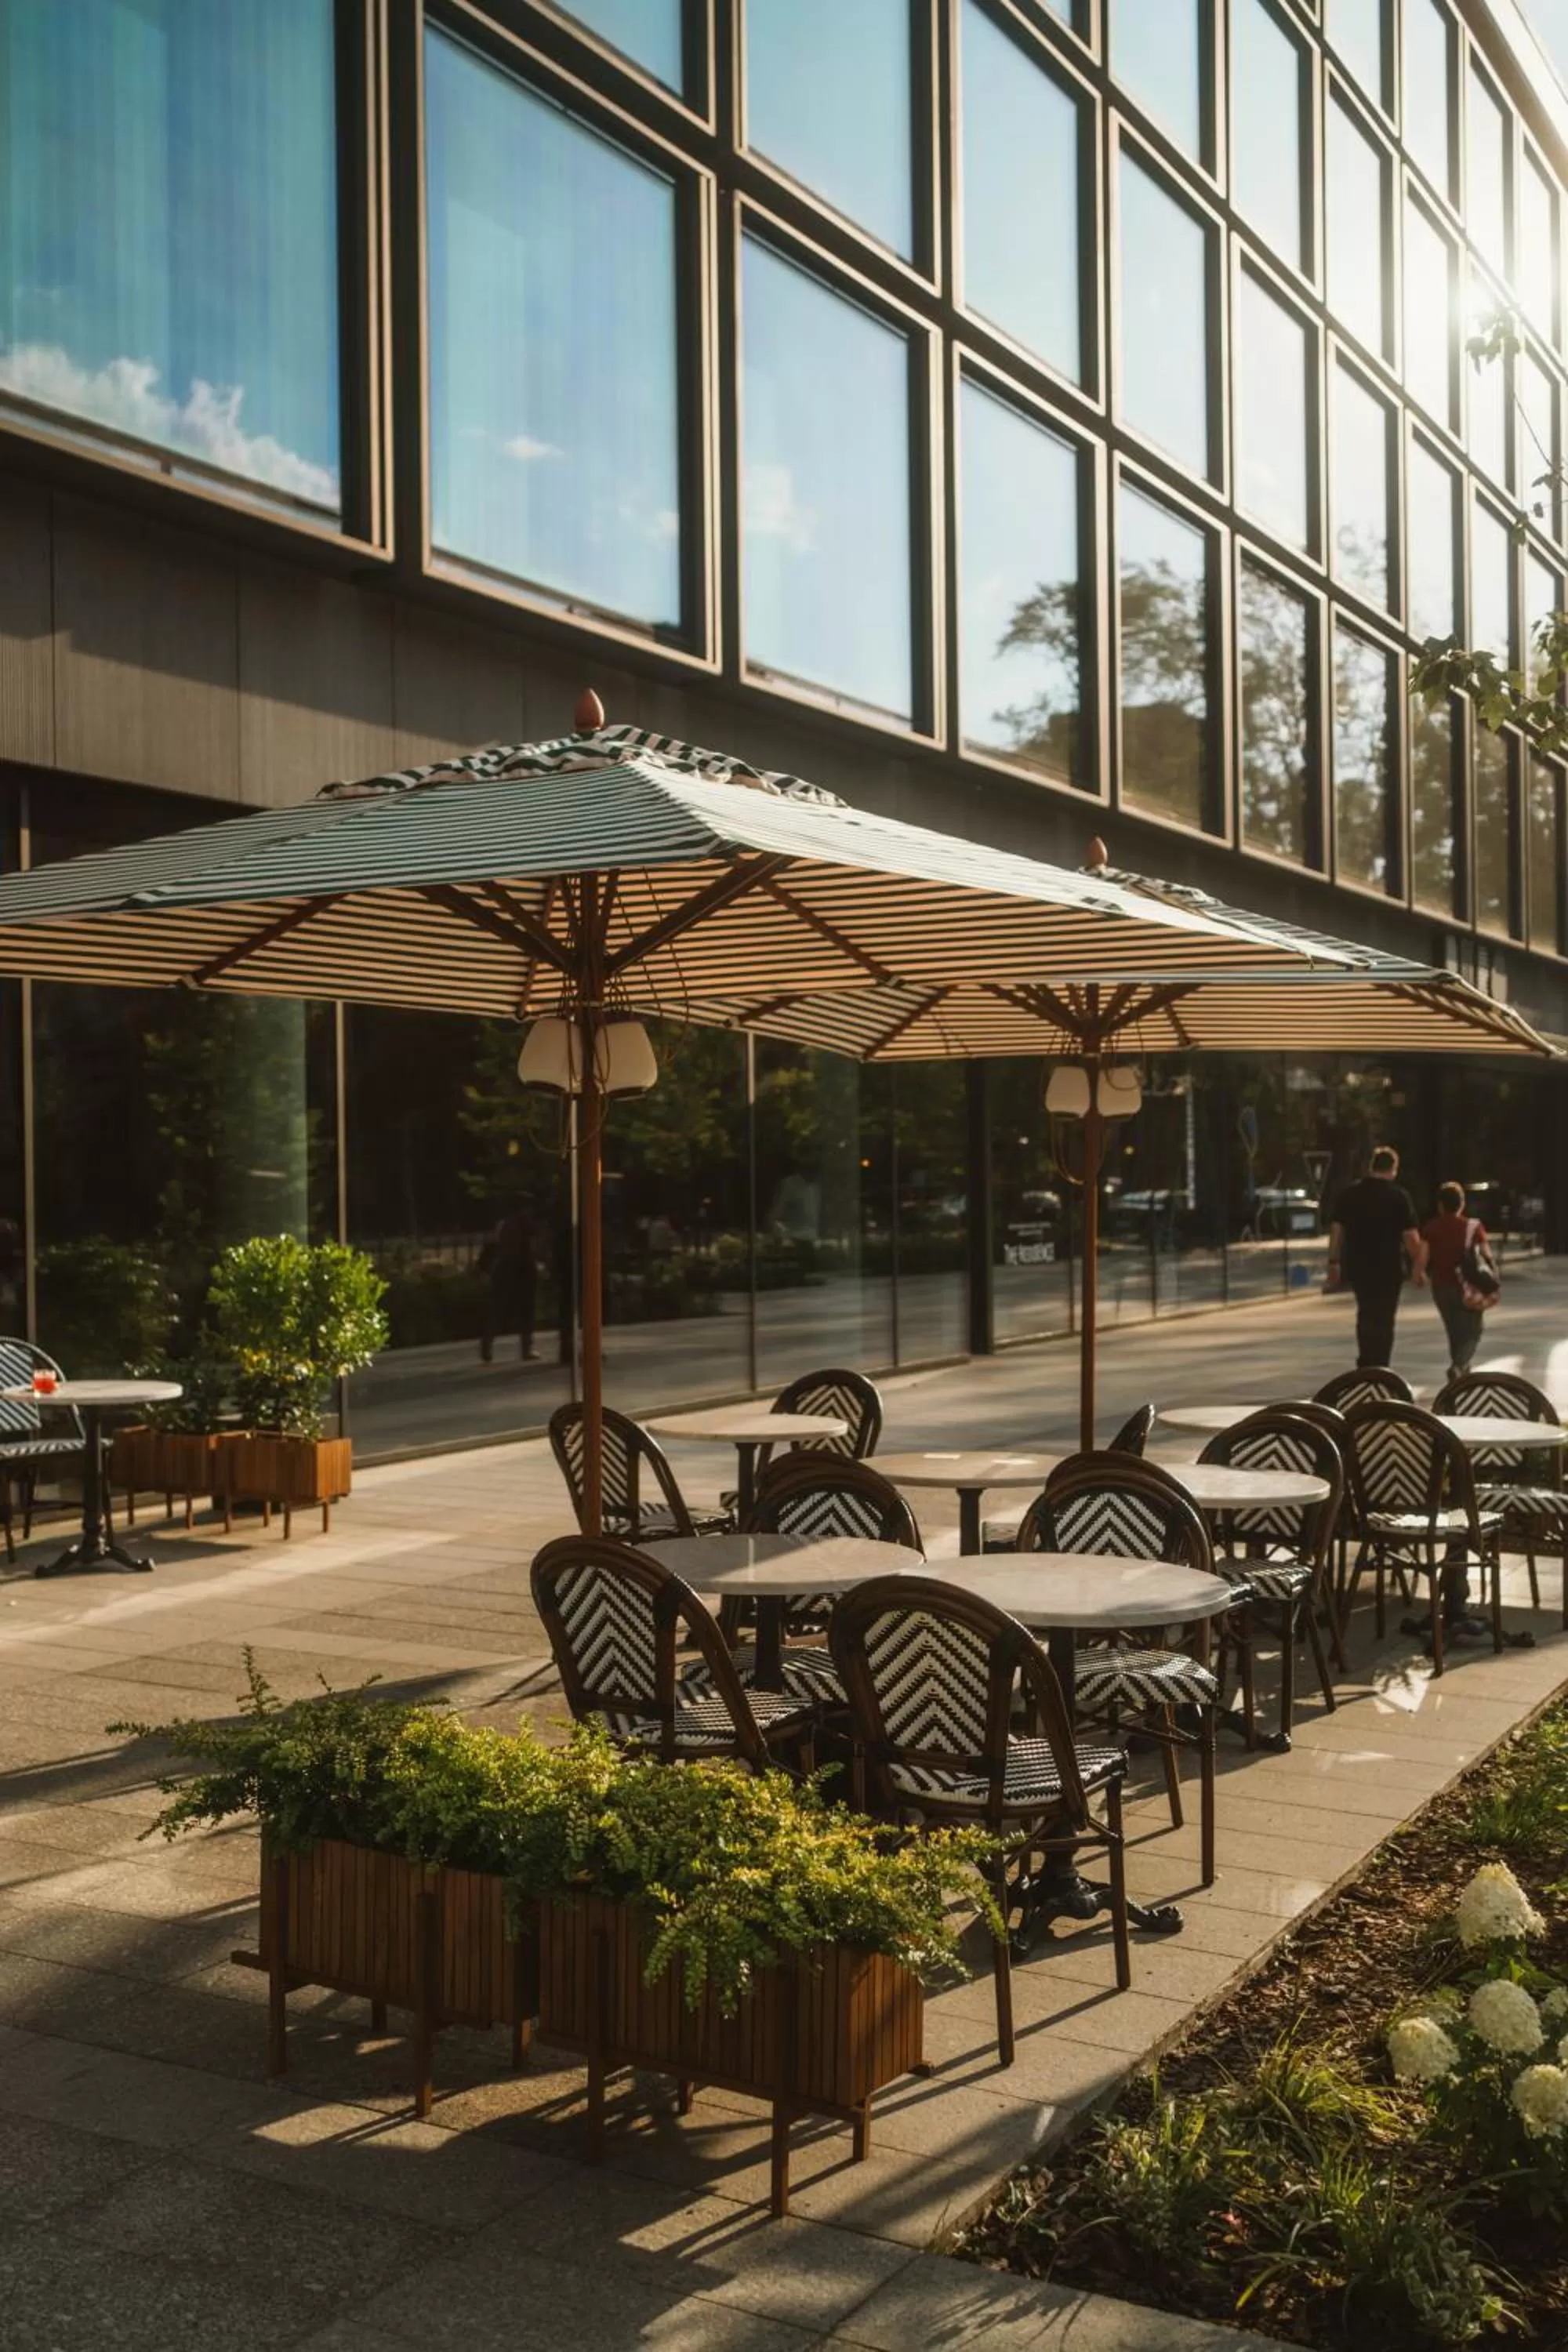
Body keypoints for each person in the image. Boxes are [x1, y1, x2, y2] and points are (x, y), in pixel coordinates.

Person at [1327, 1145, 1427, 1367]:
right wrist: (1418, 1267)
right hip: (1389, 1267)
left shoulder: (1350, 1194)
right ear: (1393, 1169)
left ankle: (1366, 1360)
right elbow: (1410, 1236)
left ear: (1372, 1167)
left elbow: (1337, 1230)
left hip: (1358, 1264)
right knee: (1385, 1317)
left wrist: (1333, 1261)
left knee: (1366, 1312)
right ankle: (1381, 1363)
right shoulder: (1399, 1196)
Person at [1421, 1181, 1493, 1379]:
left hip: (1441, 1286)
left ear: (1440, 1205)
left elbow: (1423, 1255)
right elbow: (1486, 1255)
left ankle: (1462, 1371)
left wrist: (1418, 1273)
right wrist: (1493, 1279)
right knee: (1474, 1329)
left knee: (1454, 1330)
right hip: (1469, 1287)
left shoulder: (1432, 1227)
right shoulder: (1473, 1227)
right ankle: (1459, 1365)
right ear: (1462, 1204)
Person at [478, 1203, 539, 1363]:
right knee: (526, 1311)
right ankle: (526, 1348)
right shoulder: (527, 1224)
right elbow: (531, 1249)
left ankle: (487, 1344)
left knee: (498, 1310)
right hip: (522, 1272)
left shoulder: (504, 1224)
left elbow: (494, 1246)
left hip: (505, 1271)